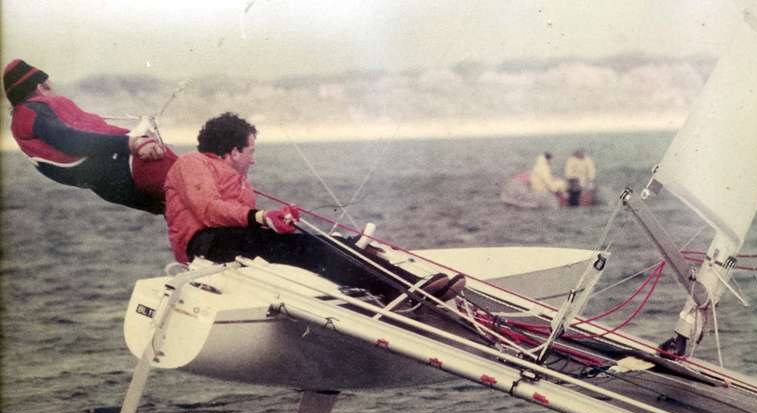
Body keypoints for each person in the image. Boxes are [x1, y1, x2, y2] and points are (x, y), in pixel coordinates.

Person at [164, 112, 464, 303]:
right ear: (233, 151)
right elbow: (208, 209)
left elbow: (243, 219)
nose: (253, 159)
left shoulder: (240, 181)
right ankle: (399, 289)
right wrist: (261, 217)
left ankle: (408, 283)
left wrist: (273, 220)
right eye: (251, 151)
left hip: (232, 240)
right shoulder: (192, 163)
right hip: (205, 244)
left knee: (321, 244)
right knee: (309, 249)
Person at [3, 58, 177, 215]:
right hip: (128, 168)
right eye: (50, 86)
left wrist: (137, 141)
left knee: (179, 211)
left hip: (112, 186)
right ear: (41, 87)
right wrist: (132, 143)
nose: (54, 92)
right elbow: (70, 140)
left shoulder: (27, 118)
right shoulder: (32, 111)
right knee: (193, 190)